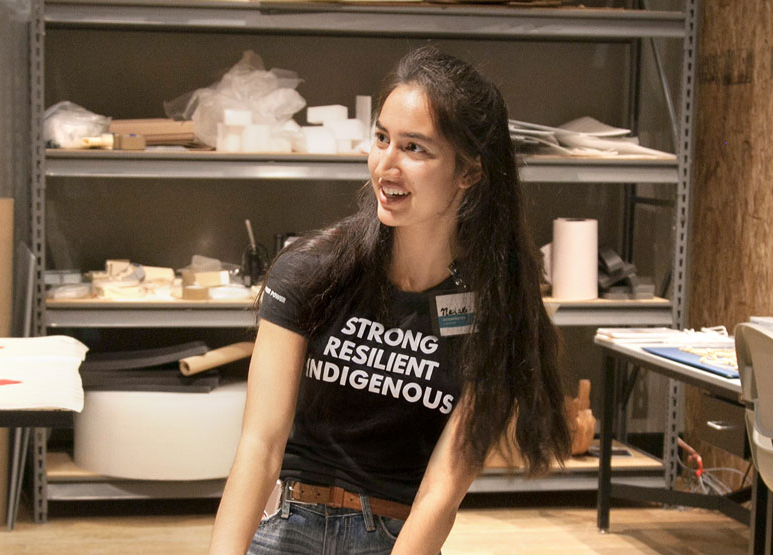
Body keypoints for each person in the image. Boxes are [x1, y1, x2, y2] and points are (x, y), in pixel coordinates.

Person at [209, 46, 571, 554]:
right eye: (382, 139)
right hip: (288, 525)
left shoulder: (495, 311)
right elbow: (260, 446)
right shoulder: (310, 270)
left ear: (469, 172)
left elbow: (441, 492)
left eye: (415, 149)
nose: (386, 165)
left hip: (393, 540)